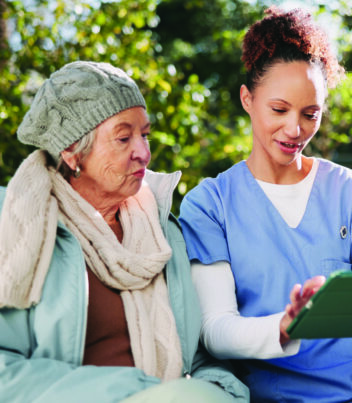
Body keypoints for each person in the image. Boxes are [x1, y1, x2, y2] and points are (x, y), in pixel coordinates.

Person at [178, 7, 352, 403]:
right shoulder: (209, 205)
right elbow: (216, 330)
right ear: (247, 99)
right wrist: (284, 326)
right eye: (279, 110)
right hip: (282, 394)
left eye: (311, 114)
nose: (295, 130)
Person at [0, 61, 248, 402]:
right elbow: (6, 372)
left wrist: (220, 392)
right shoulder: (18, 225)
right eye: (123, 138)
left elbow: (199, 355)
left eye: (144, 135)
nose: (144, 153)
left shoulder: (163, 231)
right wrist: (136, 393)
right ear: (73, 151)